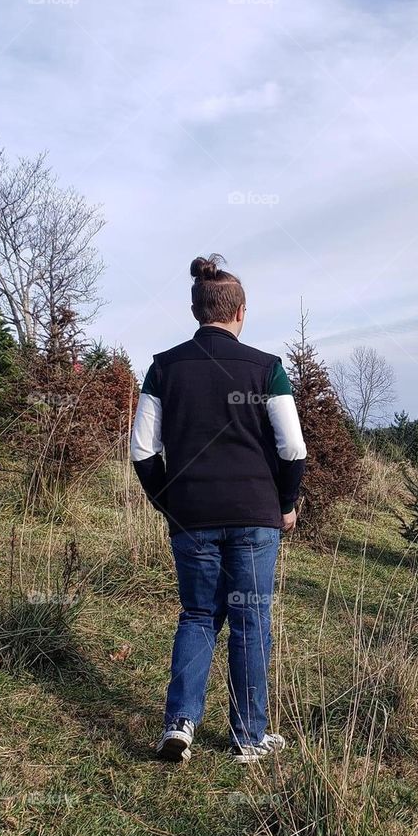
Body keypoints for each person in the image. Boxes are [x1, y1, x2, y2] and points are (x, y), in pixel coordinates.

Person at [130, 254, 307, 763]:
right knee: (251, 619)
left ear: (195, 310)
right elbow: (292, 448)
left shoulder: (164, 368)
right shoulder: (267, 369)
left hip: (191, 516)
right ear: (241, 312)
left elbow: (143, 449)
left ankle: (180, 724)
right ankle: (248, 738)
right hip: (256, 514)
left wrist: (169, 502)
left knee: (198, 615)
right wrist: (286, 503)